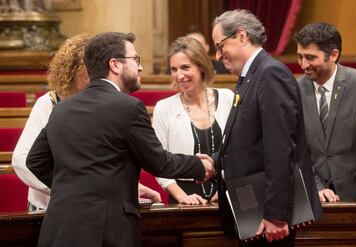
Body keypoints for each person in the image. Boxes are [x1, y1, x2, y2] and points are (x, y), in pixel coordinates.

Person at [26, 32, 215, 247]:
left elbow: (35, 161)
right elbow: (159, 162)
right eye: (135, 60)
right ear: (115, 65)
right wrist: (202, 166)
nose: (140, 67)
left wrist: (72, 188)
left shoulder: (62, 109)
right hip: (106, 232)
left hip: (58, 230)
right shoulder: (128, 107)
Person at [12, 34, 161, 212]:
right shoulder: (50, 103)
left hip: (93, 208)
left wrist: (128, 186)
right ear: (72, 72)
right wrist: (67, 189)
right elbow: (21, 160)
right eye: (89, 72)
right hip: (50, 206)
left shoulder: (107, 104)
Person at [211, 10, 322, 246]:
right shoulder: (252, 75)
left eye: (220, 46)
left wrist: (276, 214)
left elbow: (279, 147)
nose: (218, 56)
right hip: (253, 210)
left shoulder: (270, 74)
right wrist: (214, 162)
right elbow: (246, 139)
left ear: (241, 36)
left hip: (268, 217)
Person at [293, 22, 356, 215]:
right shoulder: (295, 89)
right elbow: (295, 146)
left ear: (333, 55)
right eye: (300, 57)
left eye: (310, 57)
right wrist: (315, 186)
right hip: (313, 198)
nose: (303, 64)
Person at [152, 36, 233, 204]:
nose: (180, 76)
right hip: (183, 198)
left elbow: (240, 149)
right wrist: (183, 197)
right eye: (174, 69)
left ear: (201, 66)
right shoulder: (163, 108)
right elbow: (158, 163)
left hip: (227, 194)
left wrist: (227, 187)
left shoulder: (227, 98)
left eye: (185, 67)